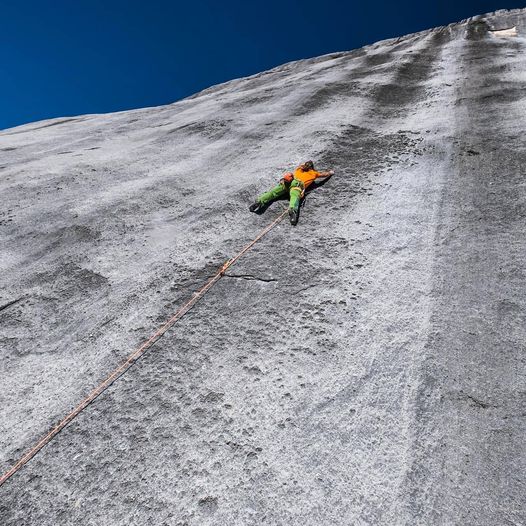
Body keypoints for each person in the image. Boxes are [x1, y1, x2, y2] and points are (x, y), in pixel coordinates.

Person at [249, 161, 334, 225]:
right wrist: (331, 172)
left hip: (288, 181)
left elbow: (301, 165)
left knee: (273, 192)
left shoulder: (299, 169)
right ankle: (293, 211)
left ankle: (259, 202)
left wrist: (304, 165)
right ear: (312, 168)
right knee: (294, 197)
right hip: (296, 185)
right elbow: (324, 174)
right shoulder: (314, 173)